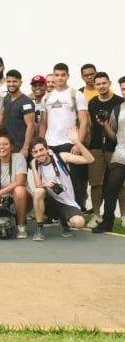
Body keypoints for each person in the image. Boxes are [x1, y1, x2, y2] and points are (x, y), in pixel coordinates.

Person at [38, 62, 89, 209]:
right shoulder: (47, 98)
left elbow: (83, 122)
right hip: (50, 143)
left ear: (68, 76)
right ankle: (53, 212)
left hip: (69, 142)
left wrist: (78, 143)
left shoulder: (76, 95)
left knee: (73, 178)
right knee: (50, 178)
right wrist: (42, 144)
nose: (59, 78)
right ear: (53, 76)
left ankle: (77, 209)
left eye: (62, 75)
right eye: (57, 75)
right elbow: (43, 123)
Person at [29, 131, 93, 241]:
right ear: (32, 154)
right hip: (49, 201)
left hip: (66, 202)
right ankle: (39, 228)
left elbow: (90, 159)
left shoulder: (61, 157)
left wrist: (77, 142)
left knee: (79, 223)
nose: (39, 154)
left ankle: (64, 220)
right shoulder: (34, 163)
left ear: (47, 148)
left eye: (41, 150)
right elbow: (38, 185)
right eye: (35, 152)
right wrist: (46, 185)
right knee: (39, 192)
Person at [85, 72, 124, 228]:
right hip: (94, 147)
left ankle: (123, 215)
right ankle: (96, 215)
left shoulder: (119, 103)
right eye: (98, 84)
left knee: (120, 184)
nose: (101, 86)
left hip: (114, 148)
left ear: (109, 83)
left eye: (104, 83)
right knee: (95, 183)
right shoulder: (93, 102)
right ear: (94, 86)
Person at [92, 93, 125, 234]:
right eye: (123, 88)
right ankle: (107, 222)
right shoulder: (118, 109)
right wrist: (104, 124)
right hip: (121, 154)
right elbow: (113, 136)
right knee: (110, 188)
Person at [0, 70, 35, 159]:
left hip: (20, 147)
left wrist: (25, 147)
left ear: (20, 83)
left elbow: (31, 126)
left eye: (14, 81)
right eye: (9, 81)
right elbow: (2, 113)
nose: (11, 84)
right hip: (7, 147)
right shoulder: (7, 97)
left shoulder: (26, 102)